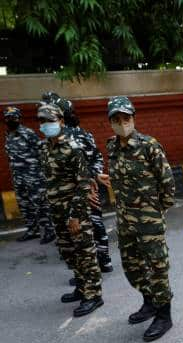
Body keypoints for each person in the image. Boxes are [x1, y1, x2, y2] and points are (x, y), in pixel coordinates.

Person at [103, 96, 176, 342]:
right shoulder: (111, 146)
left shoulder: (149, 145)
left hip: (149, 220)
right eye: (117, 119)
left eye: (126, 118)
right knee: (132, 267)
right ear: (111, 121)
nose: (122, 123)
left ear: (133, 118)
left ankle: (164, 315)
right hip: (125, 219)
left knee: (157, 267)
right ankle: (149, 302)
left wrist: (157, 211)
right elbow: (120, 180)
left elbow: (167, 182)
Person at [37, 104, 104, 316]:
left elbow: (83, 184)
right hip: (56, 211)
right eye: (42, 121)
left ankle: (93, 295)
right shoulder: (44, 148)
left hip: (75, 213)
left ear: (62, 122)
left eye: (50, 120)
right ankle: (81, 288)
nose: (46, 125)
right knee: (68, 252)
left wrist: (75, 215)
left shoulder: (73, 148)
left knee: (84, 253)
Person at [41, 92, 113, 276]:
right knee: (82, 231)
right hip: (74, 191)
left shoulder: (79, 135)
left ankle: (102, 262)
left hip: (85, 188)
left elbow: (96, 157)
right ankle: (87, 271)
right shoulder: (52, 141)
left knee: (93, 225)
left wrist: (93, 178)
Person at [3, 106, 56, 243]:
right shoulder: (8, 134)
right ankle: (32, 230)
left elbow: (41, 152)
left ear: (19, 118)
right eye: (8, 118)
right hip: (18, 177)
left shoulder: (28, 133)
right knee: (24, 205)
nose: (11, 120)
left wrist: (41, 172)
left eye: (14, 117)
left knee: (40, 204)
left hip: (33, 176)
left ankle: (49, 231)